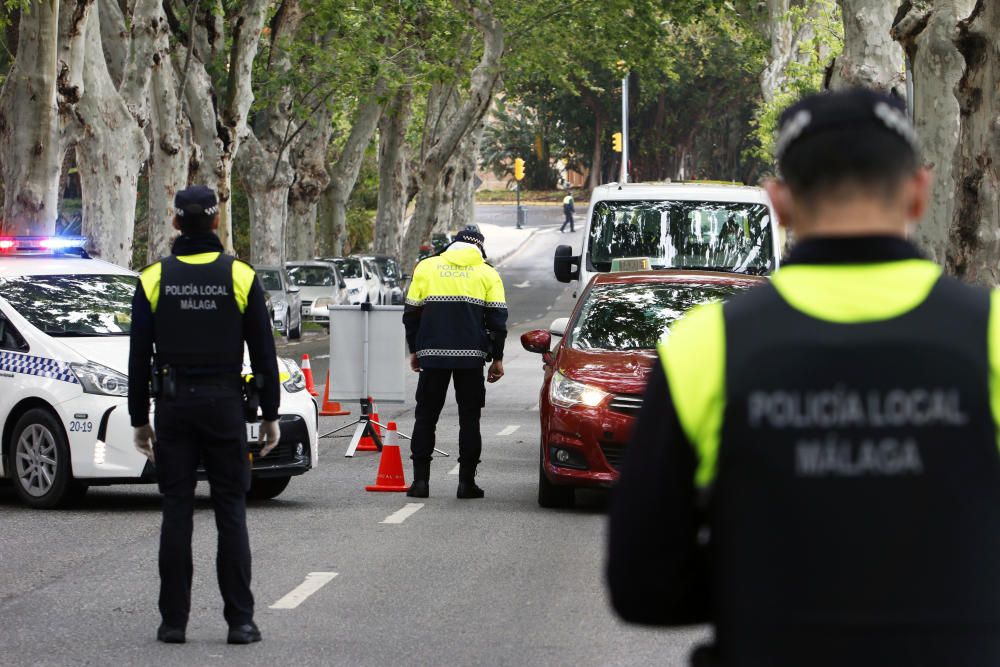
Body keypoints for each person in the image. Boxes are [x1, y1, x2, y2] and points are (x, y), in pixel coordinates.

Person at [607, 88, 1000, 666]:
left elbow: (642, 584)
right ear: (919, 191)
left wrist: (764, 588)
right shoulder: (989, 335)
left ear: (779, 203)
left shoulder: (705, 346)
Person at [128, 186, 281, 646]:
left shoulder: (153, 278)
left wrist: (140, 418)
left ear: (176, 222)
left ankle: (173, 623)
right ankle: (241, 622)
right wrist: (270, 412)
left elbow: (137, 357)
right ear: (216, 222)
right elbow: (264, 352)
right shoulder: (240, 275)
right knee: (231, 511)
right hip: (224, 407)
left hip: (173, 407)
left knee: (176, 512)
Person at [402, 227, 508, 499]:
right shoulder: (488, 273)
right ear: (480, 248)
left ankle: (420, 483)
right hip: (471, 358)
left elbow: (411, 314)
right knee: (469, 420)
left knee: (425, 417)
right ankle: (466, 484)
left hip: (432, 356)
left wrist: (415, 350)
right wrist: (497, 358)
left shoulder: (427, 267)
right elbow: (497, 321)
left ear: (453, 244)